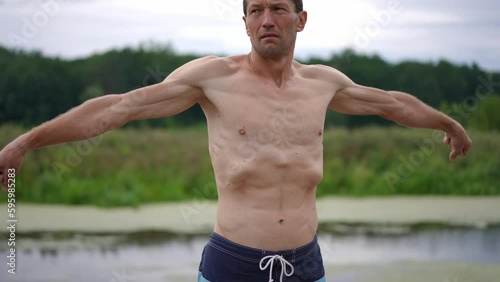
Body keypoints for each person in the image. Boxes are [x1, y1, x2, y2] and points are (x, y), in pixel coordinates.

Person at [0, 0, 472, 281]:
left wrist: (446, 123)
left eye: (278, 9)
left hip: (307, 264)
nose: (267, 18)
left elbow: (390, 102)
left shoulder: (325, 83)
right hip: (233, 265)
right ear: (244, 22)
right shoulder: (213, 78)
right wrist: (27, 141)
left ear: (301, 19)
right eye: (255, 10)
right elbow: (121, 107)